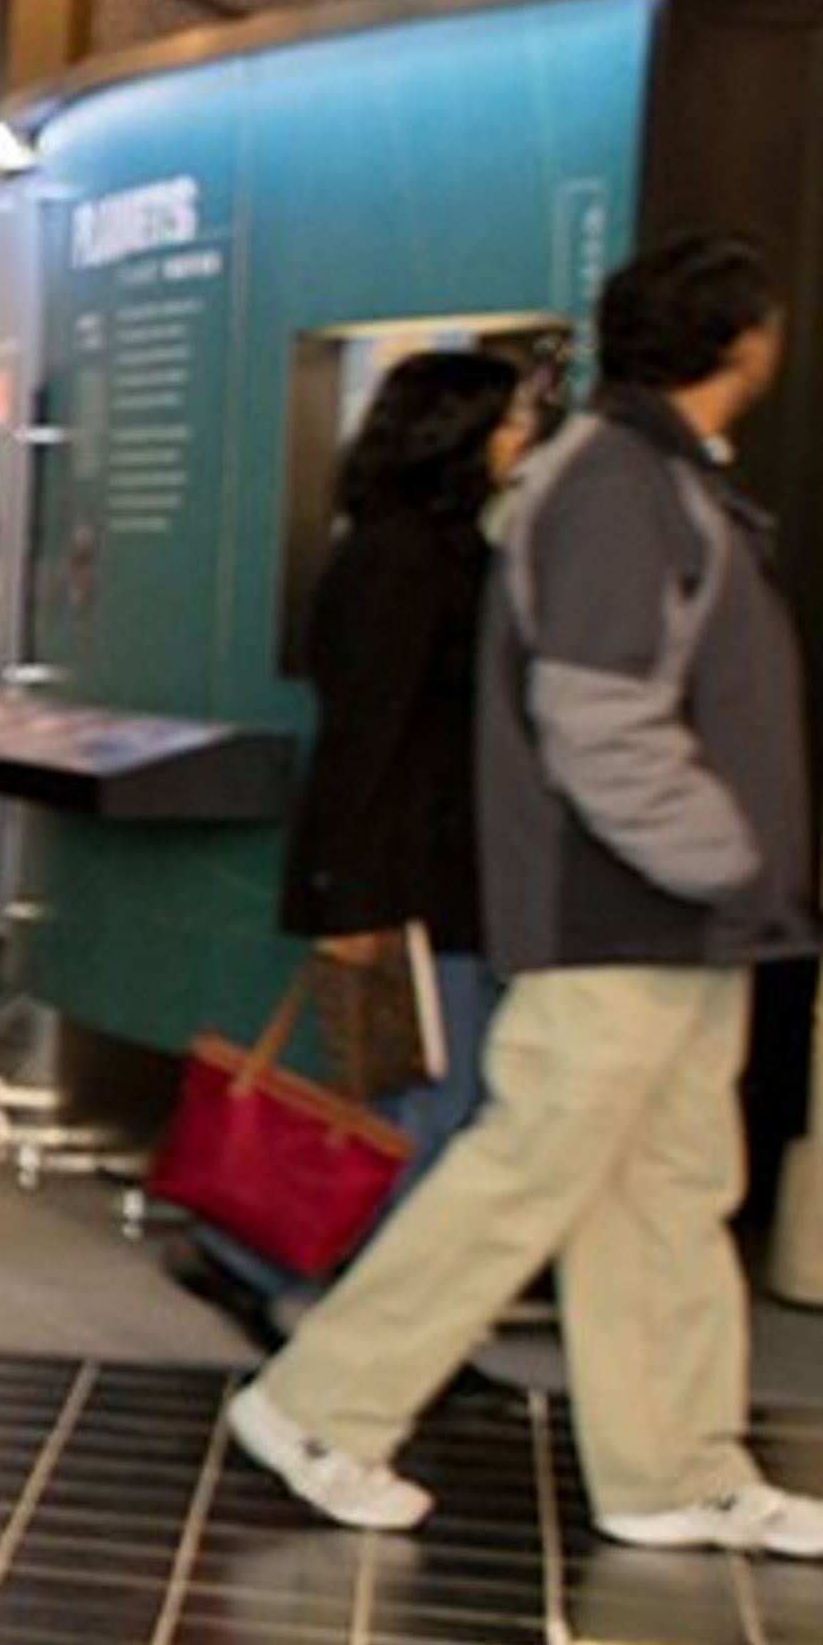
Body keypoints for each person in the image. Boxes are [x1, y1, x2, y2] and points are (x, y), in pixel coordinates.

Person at [228, 234, 823, 1553]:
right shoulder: (614, 486)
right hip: (617, 911)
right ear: (745, 342)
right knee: (522, 1168)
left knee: (665, 1188)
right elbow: (598, 720)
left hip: (673, 922)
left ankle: (673, 1466)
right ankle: (318, 1403)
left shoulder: (658, 480)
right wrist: (729, 857)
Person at [274, 344, 540, 1167]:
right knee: (425, 1103)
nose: (524, 438)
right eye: (511, 420)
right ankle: (330, 1281)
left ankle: (331, 1278)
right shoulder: (408, 560)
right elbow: (366, 736)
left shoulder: (411, 550)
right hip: (407, 882)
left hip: (429, 878)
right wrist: (353, 903)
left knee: (424, 1097)